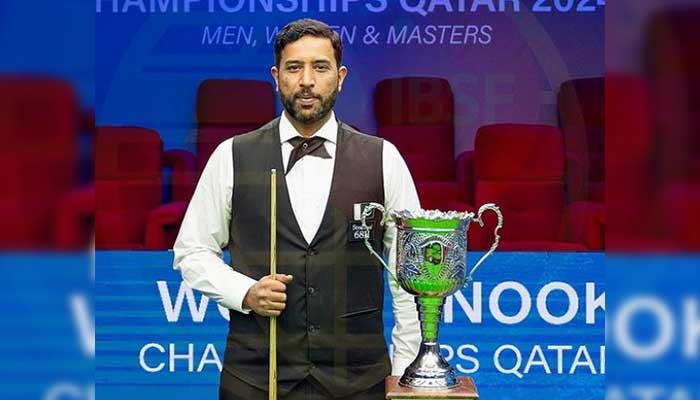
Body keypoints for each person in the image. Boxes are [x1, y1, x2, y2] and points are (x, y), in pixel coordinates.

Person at [174, 18, 420, 400]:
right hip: (256, 380)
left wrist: (406, 375)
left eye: (320, 67)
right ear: (276, 77)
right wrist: (246, 292)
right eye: (294, 67)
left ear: (339, 77)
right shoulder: (232, 156)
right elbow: (190, 251)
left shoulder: (383, 159)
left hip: (359, 382)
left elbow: (410, 277)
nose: (306, 80)